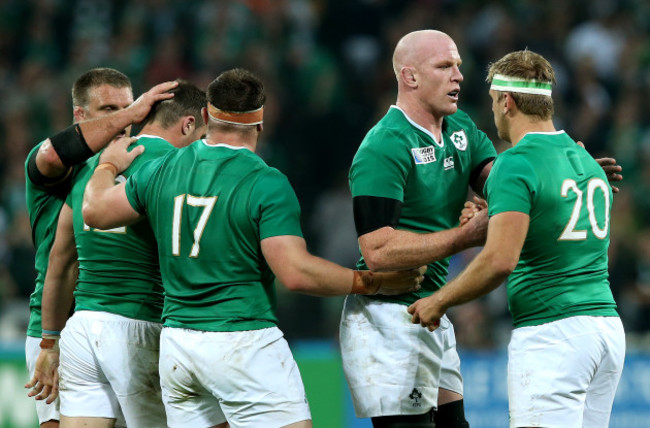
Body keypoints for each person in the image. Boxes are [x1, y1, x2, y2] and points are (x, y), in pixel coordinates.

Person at [81, 68, 425, 428]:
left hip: (178, 347)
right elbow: (295, 273)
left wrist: (107, 165)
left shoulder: (161, 168)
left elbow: (96, 210)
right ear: (260, 125)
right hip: (242, 340)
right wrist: (372, 282)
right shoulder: (266, 183)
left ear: (204, 117)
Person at [339, 30, 623, 428]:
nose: (458, 75)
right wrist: (463, 237)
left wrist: (566, 177)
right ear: (410, 77)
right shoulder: (383, 146)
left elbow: (508, 184)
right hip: (389, 316)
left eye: (458, 65)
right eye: (444, 66)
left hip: (431, 311)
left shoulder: (461, 129)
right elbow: (377, 251)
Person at [31, 80, 206, 428]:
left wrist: (50, 343)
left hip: (82, 329)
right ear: (188, 124)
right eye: (202, 136)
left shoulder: (93, 168)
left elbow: (61, 263)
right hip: (142, 325)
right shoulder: (181, 169)